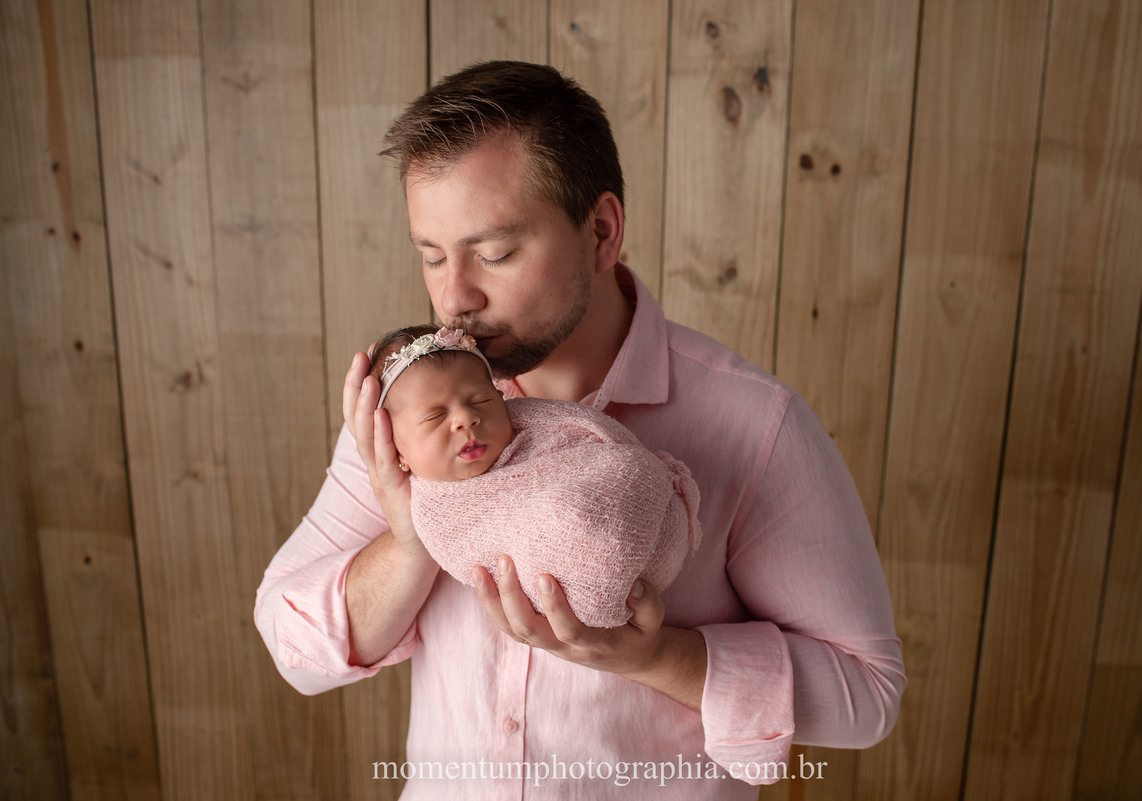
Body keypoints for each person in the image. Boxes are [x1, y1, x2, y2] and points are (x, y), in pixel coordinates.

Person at [255, 60, 905, 799]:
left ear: (601, 232)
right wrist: (414, 539)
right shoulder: (417, 412)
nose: (453, 298)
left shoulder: (755, 424)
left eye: (494, 253)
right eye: (431, 255)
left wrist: (654, 656)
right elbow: (292, 642)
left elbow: (868, 693)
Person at [366, 322, 701, 628]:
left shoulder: (528, 425)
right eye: (435, 416)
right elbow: (474, 550)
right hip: (577, 561)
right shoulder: (436, 511)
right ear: (398, 452)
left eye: (480, 400)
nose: (465, 419)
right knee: (565, 514)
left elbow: (588, 429)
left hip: (626, 498)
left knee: (620, 474)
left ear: (501, 400)